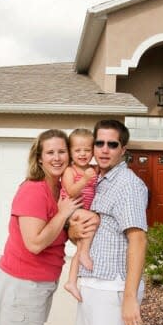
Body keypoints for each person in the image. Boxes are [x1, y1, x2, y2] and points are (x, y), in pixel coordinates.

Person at [0, 129, 87, 325]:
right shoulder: (34, 190)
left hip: (37, 284)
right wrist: (64, 214)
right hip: (22, 284)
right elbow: (34, 243)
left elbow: (54, 234)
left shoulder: (59, 191)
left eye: (62, 151)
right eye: (50, 152)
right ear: (39, 158)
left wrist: (71, 231)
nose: (57, 157)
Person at [69, 119, 149, 325]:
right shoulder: (97, 182)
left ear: (123, 149)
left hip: (112, 288)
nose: (104, 149)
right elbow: (88, 232)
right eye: (99, 143)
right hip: (91, 283)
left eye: (112, 144)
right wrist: (73, 231)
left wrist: (129, 297)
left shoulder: (128, 185)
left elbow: (138, 239)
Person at [62, 128, 99, 302]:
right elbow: (70, 191)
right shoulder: (70, 171)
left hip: (84, 212)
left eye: (87, 150)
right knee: (94, 219)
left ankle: (71, 281)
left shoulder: (95, 169)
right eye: (78, 150)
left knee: (81, 247)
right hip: (72, 210)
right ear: (70, 152)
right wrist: (84, 179)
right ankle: (84, 254)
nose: (82, 154)